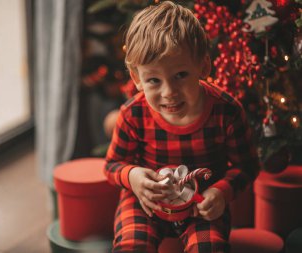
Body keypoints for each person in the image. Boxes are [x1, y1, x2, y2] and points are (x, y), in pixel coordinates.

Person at [104, 1, 260, 252]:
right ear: (137, 79)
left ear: (203, 66)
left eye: (180, 75)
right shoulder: (133, 113)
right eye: (154, 80)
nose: (169, 92)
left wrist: (222, 192)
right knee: (131, 246)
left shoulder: (226, 111)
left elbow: (247, 165)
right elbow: (112, 165)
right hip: (146, 203)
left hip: (202, 206)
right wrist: (132, 177)